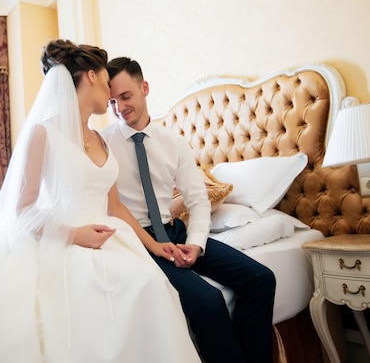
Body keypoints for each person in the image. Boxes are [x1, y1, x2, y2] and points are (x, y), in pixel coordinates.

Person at [0, 40, 201, 363]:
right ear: (90, 77)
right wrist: (75, 234)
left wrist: (156, 247)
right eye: (105, 82)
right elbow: (24, 209)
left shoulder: (101, 139)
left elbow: (115, 206)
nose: (110, 92)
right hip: (66, 241)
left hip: (113, 237)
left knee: (152, 286)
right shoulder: (44, 134)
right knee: (137, 290)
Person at [102, 57, 277, 363]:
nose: (120, 108)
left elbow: (197, 201)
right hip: (137, 241)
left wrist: (196, 245)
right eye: (112, 101)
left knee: (261, 278)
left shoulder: (175, 144)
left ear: (144, 88)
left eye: (126, 97)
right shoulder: (103, 145)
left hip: (176, 232)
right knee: (208, 301)